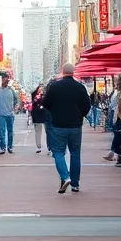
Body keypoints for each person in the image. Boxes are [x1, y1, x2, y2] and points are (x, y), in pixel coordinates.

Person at [41, 63, 91, 193]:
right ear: (73, 72)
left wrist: (54, 111)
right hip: (75, 125)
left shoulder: (54, 86)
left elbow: (45, 103)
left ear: (62, 72)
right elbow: (87, 105)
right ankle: (75, 183)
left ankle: (65, 176)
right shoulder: (80, 87)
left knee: (58, 152)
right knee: (75, 153)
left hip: (58, 125)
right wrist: (80, 114)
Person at [0, 73, 18, 154]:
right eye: (5, 79)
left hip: (10, 114)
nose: (6, 81)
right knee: (2, 131)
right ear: (2, 79)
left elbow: (16, 100)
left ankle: (10, 147)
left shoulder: (11, 90)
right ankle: (2, 148)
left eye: (7, 79)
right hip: (1, 114)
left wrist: (13, 107)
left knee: (10, 131)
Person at [29, 85, 50, 154]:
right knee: (38, 131)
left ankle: (49, 147)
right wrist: (36, 99)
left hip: (45, 114)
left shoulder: (46, 95)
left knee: (48, 131)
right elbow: (33, 104)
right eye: (40, 88)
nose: (41, 90)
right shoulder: (34, 95)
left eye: (42, 89)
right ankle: (38, 147)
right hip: (37, 115)